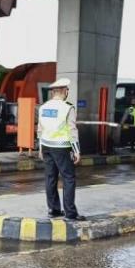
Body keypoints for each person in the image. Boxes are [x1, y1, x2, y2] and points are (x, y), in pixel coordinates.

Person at [37, 78, 85, 221]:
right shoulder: (68, 107)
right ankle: (70, 213)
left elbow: (40, 130)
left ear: (53, 92)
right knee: (68, 179)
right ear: (64, 91)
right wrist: (77, 150)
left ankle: (54, 210)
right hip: (61, 147)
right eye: (67, 91)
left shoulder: (43, 107)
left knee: (50, 178)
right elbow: (72, 131)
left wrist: (40, 148)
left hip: (46, 146)